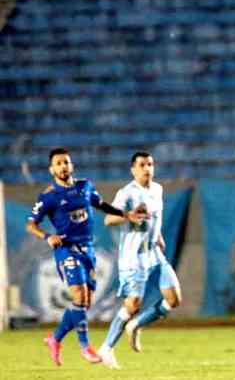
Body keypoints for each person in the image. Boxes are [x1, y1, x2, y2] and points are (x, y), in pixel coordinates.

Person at [26, 148, 147, 366]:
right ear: (51, 169)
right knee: (80, 297)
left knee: (84, 302)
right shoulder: (49, 196)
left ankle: (55, 339)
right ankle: (86, 347)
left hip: (87, 249)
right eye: (58, 163)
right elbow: (31, 224)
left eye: (66, 162)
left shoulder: (85, 186)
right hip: (66, 248)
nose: (63, 166)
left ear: (71, 166)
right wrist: (47, 236)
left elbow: (101, 205)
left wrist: (126, 214)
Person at [97, 152, 182, 369]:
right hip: (133, 258)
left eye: (150, 164)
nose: (147, 168)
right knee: (132, 305)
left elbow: (156, 216)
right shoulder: (126, 193)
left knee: (173, 299)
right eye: (142, 165)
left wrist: (159, 235)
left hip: (154, 253)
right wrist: (128, 215)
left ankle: (135, 325)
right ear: (133, 169)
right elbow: (108, 220)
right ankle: (106, 348)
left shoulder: (157, 189)